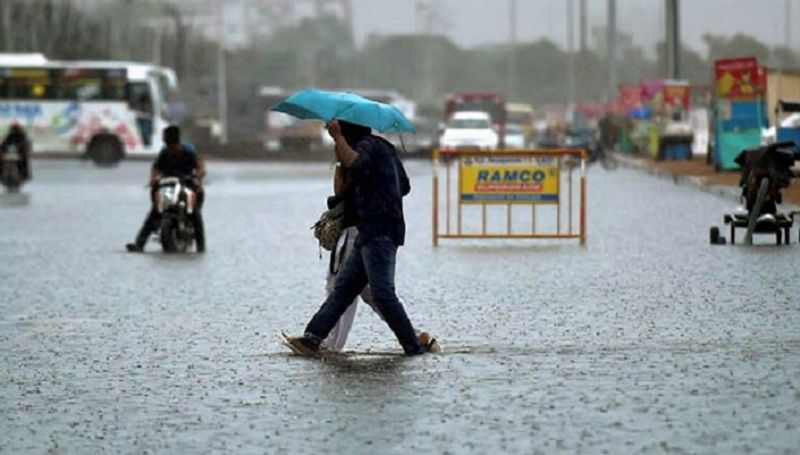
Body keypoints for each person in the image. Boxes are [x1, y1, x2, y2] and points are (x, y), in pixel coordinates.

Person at [284, 120, 427, 356]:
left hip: (380, 231)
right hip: (369, 230)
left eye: (340, 132)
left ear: (348, 131)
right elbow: (402, 185)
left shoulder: (369, 146)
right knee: (344, 290)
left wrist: (338, 138)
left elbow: (358, 164)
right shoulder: (381, 149)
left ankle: (413, 346)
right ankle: (311, 339)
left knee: (382, 293)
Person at [320, 163, 439, 353]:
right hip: (367, 230)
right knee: (367, 291)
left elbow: (342, 193)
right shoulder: (375, 161)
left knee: (341, 286)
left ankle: (331, 344)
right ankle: (415, 336)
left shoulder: (357, 159)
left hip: (357, 231)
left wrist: (340, 168)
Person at [126, 125, 206, 253]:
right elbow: (155, 168)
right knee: (154, 212)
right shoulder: (164, 153)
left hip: (186, 185)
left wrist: (198, 176)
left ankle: (201, 247)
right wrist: (153, 179)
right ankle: (139, 244)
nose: (171, 149)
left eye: (172, 145)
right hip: (168, 187)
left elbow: (200, 165)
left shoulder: (188, 152)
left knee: (195, 213)